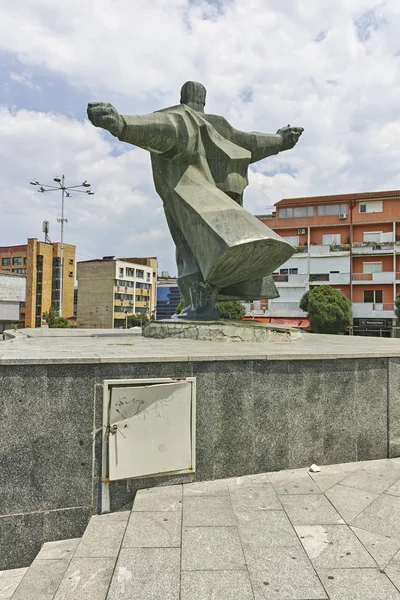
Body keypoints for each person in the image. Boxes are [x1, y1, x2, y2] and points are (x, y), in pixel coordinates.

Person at [88, 81, 303, 319]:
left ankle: (200, 306)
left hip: (188, 194)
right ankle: (203, 303)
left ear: (183, 97)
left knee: (188, 250)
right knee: (208, 248)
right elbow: (249, 141)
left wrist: (122, 124)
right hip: (219, 202)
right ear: (204, 100)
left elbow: (162, 129)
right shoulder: (219, 126)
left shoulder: (182, 118)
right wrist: (280, 141)